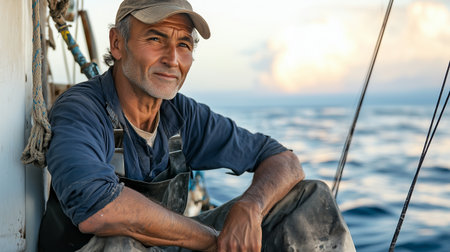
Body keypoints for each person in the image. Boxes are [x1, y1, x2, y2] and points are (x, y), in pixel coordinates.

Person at [38, 0, 355, 251]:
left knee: (311, 195)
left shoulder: (182, 115)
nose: (172, 58)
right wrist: (215, 239)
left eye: (184, 45)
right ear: (118, 44)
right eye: (155, 38)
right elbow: (97, 208)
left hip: (166, 247)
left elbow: (283, 159)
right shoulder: (81, 110)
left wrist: (251, 208)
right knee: (119, 244)